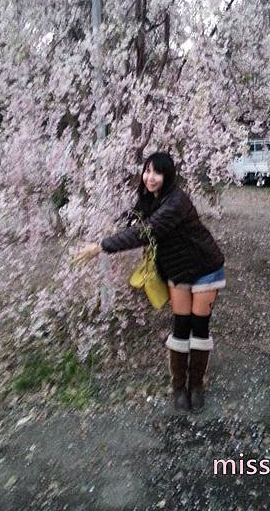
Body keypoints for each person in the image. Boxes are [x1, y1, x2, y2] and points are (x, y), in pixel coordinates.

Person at [75, 152, 225, 414]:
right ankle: (179, 387)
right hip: (177, 271)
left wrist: (101, 247)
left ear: (167, 176)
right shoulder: (149, 200)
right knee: (180, 327)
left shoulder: (176, 202)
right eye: (147, 171)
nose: (150, 177)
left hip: (204, 267)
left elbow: (145, 232)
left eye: (157, 172)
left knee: (198, 328)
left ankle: (196, 386)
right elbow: (132, 222)